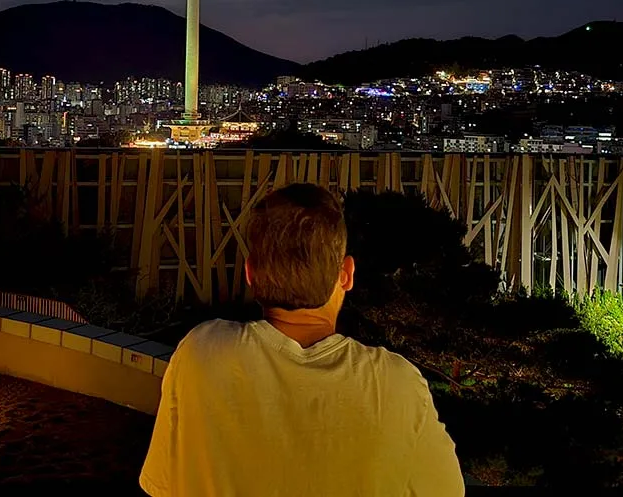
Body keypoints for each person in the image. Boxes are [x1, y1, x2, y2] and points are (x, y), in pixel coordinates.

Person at [140, 182, 465, 496]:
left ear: (251, 273)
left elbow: (163, 484)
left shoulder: (201, 352)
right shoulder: (397, 384)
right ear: (347, 274)